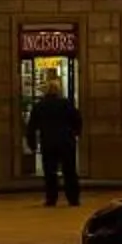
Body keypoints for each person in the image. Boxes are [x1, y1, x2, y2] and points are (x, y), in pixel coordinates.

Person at [26, 79, 83, 208]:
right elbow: (77, 119)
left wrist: (32, 144)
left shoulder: (40, 106)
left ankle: (51, 198)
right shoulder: (67, 104)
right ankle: (73, 198)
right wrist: (75, 133)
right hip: (66, 141)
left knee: (50, 172)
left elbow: (32, 126)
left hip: (48, 141)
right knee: (69, 171)